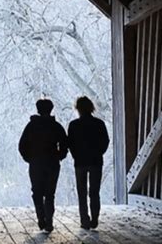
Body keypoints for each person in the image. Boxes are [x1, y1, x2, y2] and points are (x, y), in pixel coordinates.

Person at [19, 99, 68, 232]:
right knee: (50, 194)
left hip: (36, 164)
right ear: (51, 109)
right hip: (52, 163)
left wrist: (29, 158)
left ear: (38, 110)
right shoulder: (56, 126)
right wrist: (59, 156)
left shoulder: (31, 126)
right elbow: (64, 144)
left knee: (37, 193)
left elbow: (22, 145)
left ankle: (41, 218)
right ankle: (49, 221)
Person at [67, 96, 109, 230]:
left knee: (82, 192)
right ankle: (95, 218)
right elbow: (105, 141)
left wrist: (76, 155)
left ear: (78, 108)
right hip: (96, 161)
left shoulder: (74, 125)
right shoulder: (99, 123)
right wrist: (98, 153)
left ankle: (84, 220)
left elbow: (70, 144)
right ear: (91, 108)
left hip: (80, 162)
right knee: (94, 192)